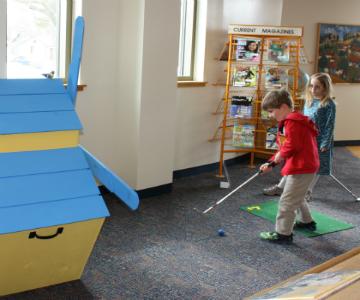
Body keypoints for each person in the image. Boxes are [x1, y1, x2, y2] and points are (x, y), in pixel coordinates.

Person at [263, 73, 336, 201]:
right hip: (306, 138)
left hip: (321, 141)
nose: (313, 90)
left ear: (325, 88)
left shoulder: (329, 104)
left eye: (317, 87)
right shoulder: (309, 101)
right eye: (311, 86)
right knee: (296, 164)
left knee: (316, 168)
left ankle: (307, 191)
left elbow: (330, 124)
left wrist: (325, 143)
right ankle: (280, 187)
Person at [259, 89, 319, 243]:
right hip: (303, 166)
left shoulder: (292, 122)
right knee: (295, 196)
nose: (271, 115)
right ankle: (307, 222)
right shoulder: (290, 122)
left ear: (284, 107)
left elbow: (291, 146)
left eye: (272, 111)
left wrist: (275, 161)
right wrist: (270, 161)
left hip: (302, 168)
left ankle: (283, 234)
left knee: (287, 202)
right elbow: (284, 147)